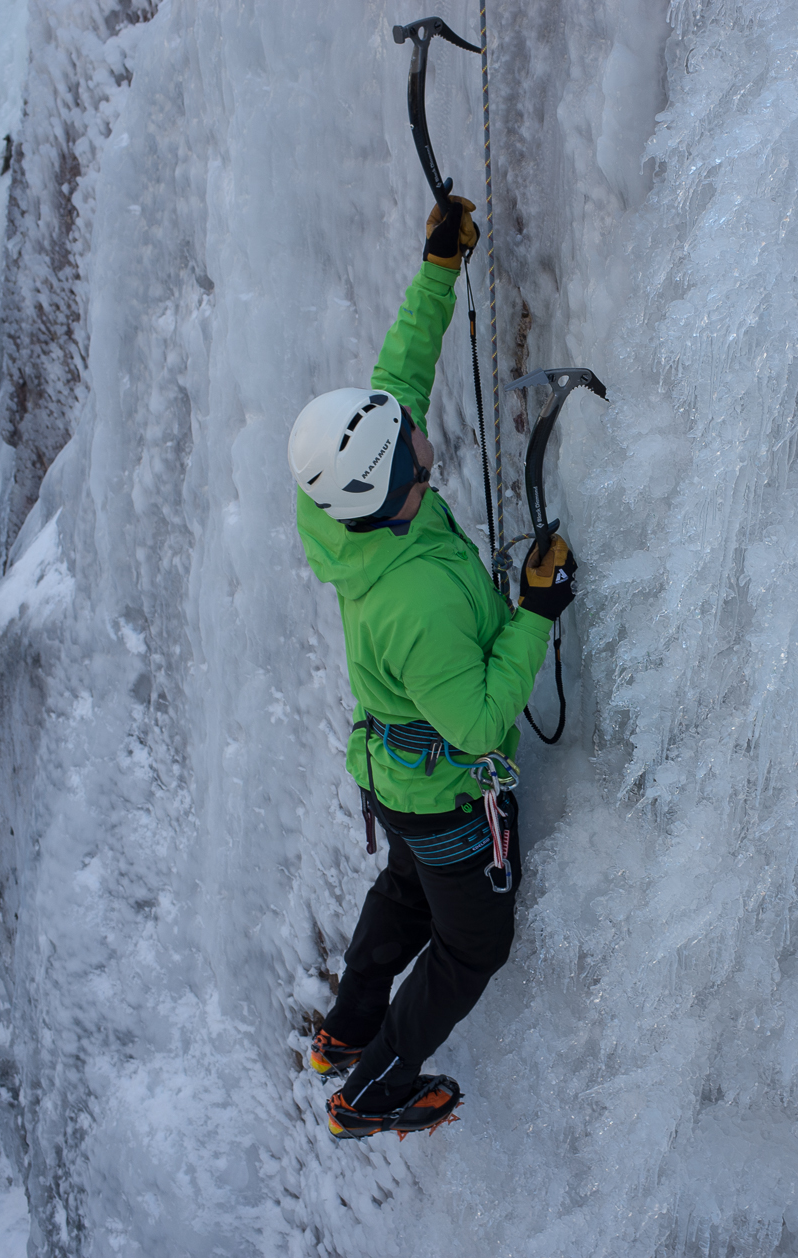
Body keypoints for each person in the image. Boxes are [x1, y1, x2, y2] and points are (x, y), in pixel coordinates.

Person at [288, 196, 577, 1139]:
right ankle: (371, 1088)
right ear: (400, 482)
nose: (420, 427)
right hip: (446, 791)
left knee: (407, 886)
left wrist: (438, 269)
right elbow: (484, 724)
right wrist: (535, 612)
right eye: (410, 437)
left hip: (394, 773)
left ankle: (345, 1029)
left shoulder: (349, 504)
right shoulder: (417, 607)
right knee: (471, 942)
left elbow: (397, 373)